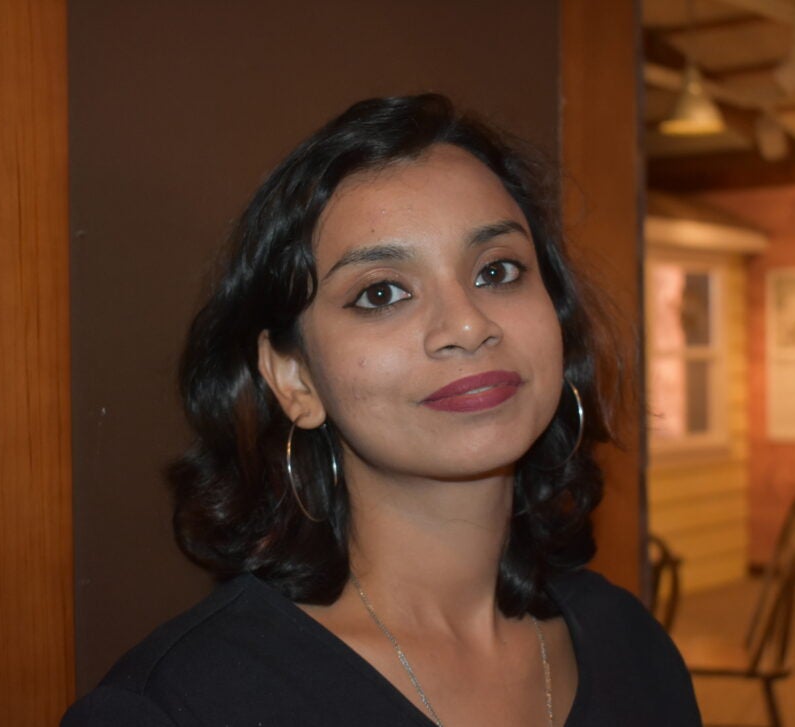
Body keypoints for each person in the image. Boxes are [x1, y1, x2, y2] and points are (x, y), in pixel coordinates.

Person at [62, 94, 700, 726]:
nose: (467, 324)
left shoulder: (634, 650)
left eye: (498, 271)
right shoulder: (176, 706)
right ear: (294, 378)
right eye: (382, 292)